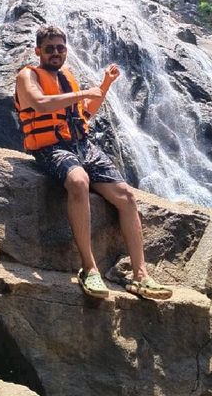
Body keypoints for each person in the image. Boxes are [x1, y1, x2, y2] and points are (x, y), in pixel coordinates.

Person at [14, 24, 172, 300]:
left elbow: (83, 113)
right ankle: (89, 268)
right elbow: (39, 104)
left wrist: (103, 87)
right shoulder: (28, 75)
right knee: (78, 181)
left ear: (66, 50)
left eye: (60, 48)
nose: (55, 53)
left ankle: (141, 275)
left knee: (125, 196)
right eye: (49, 49)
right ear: (38, 50)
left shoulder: (67, 77)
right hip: (51, 147)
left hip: (82, 145)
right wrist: (83, 93)